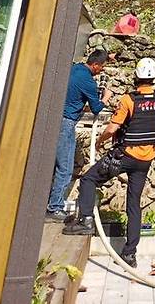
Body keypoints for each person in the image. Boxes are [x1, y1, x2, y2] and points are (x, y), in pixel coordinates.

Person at [63, 57, 155, 268]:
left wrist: (100, 142)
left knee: (89, 179)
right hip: (145, 159)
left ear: (136, 77)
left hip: (124, 156)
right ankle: (130, 254)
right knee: (133, 204)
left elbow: (112, 128)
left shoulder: (129, 100)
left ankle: (85, 220)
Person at [46, 48, 113, 221]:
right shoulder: (88, 82)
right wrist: (106, 97)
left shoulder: (74, 69)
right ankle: (54, 208)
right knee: (65, 167)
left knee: (50, 164)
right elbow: (96, 108)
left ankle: (47, 202)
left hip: (54, 119)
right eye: (102, 67)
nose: (102, 70)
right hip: (67, 123)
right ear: (95, 65)